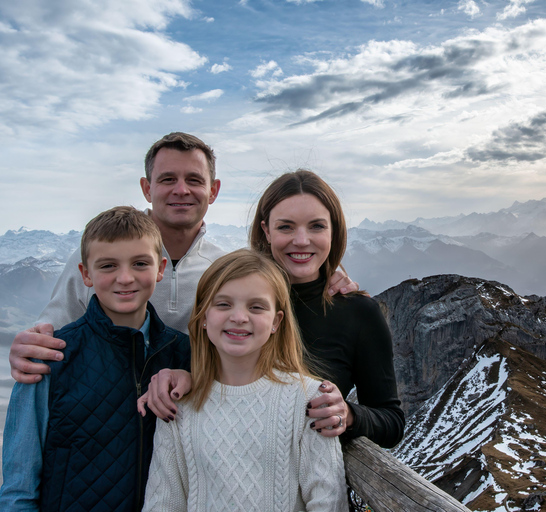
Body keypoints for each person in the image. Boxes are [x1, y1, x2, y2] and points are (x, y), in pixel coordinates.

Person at [8, 133, 357, 385]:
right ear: (147, 188)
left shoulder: (225, 268)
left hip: (194, 425)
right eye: (167, 179)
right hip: (109, 421)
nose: (181, 190)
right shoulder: (101, 261)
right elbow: (50, 335)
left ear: (213, 190)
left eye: (194, 179)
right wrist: (26, 346)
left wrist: (325, 275)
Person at [142, 170, 405, 448]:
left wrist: (348, 415)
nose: (301, 240)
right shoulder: (231, 295)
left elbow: (391, 422)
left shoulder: (358, 312)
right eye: (286, 227)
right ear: (266, 231)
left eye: (316, 226)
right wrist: (187, 377)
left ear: (334, 231)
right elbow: (214, 371)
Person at [0, 207, 191, 511]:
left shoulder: (184, 354)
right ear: (86, 274)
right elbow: (18, 486)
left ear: (161, 268)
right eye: (108, 266)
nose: (125, 278)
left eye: (140, 263)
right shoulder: (51, 357)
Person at [141, 249, 346, 511]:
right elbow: (162, 503)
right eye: (223, 304)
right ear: (203, 316)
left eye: (256, 307)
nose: (239, 317)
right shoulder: (178, 405)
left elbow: (328, 501)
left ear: (276, 321)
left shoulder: (309, 400)